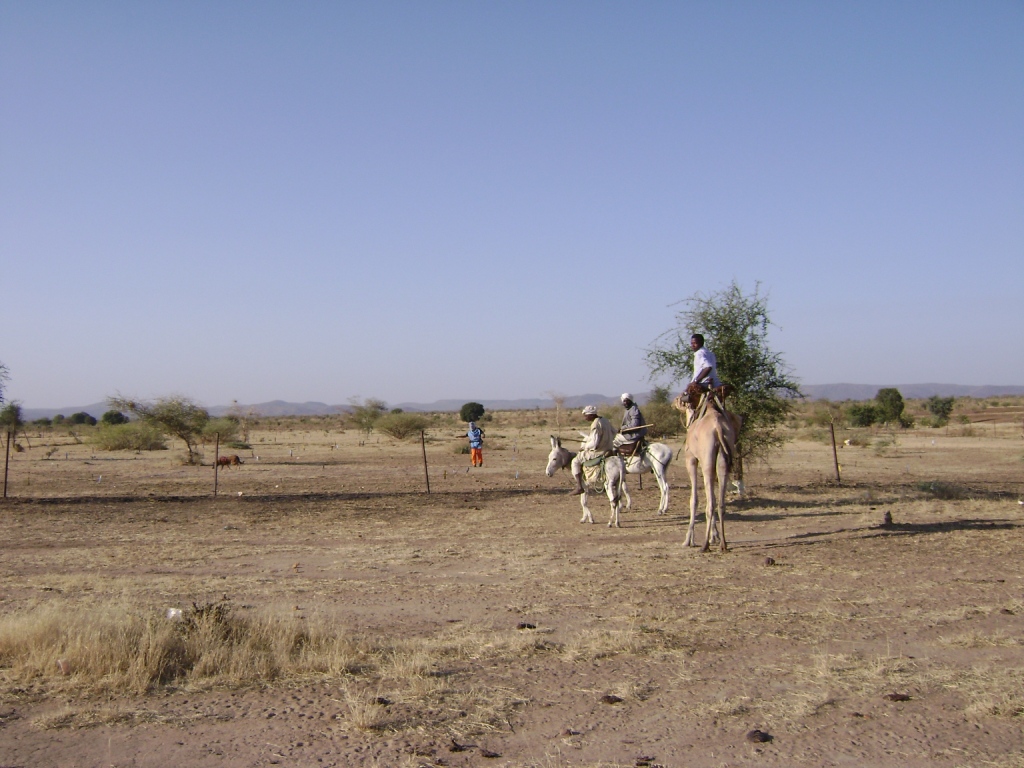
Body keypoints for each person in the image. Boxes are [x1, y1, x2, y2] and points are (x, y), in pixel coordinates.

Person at [570, 405, 615, 495]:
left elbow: (594, 443)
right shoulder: (605, 420)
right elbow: (614, 432)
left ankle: (579, 487)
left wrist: (585, 447)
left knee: (575, 461)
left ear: (591, 415)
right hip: (609, 449)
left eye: (586, 415)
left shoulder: (595, 424)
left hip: (599, 452)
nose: (585, 417)